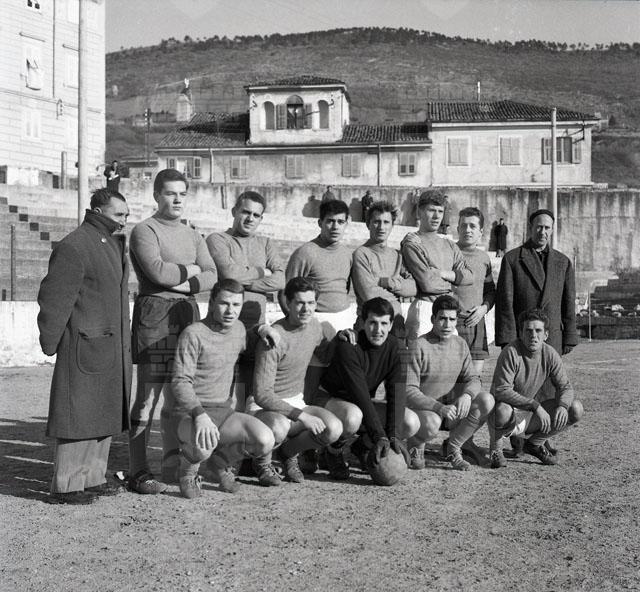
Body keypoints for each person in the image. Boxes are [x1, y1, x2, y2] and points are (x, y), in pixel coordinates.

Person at [37, 189, 131, 504]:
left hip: (107, 346)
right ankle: (66, 485)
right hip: (83, 346)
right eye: (118, 214)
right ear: (97, 211)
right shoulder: (75, 245)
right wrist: (50, 341)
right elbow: (55, 297)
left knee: (103, 414)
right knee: (78, 416)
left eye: (126, 215)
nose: (124, 220)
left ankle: (92, 478)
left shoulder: (110, 244)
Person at [128, 168, 217, 495]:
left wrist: (181, 281)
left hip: (187, 313)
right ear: (156, 195)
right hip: (155, 315)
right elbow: (157, 272)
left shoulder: (193, 235)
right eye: (170, 193)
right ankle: (138, 470)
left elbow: (212, 275)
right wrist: (192, 271)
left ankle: (175, 465)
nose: (177, 199)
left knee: (181, 392)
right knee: (147, 397)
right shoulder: (144, 230)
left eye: (182, 193)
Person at [169, 279, 280, 497]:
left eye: (236, 305)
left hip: (223, 412)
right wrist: (199, 415)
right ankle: (187, 471)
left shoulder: (238, 329)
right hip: (190, 413)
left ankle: (219, 464)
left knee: (265, 440)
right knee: (203, 446)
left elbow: (247, 338)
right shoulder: (193, 333)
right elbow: (180, 381)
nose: (231, 311)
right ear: (211, 303)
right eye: (224, 303)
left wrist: (263, 328)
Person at [495, 208, 578, 457]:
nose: (543, 232)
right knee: (521, 387)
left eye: (547, 227)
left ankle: (542, 437)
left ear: (552, 230)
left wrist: (570, 334)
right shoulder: (513, 259)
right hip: (523, 335)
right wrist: (508, 338)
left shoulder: (563, 262)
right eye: (538, 227)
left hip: (550, 335)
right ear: (530, 228)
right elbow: (505, 302)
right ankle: (517, 436)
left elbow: (568, 302)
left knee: (549, 388)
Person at [247, 277, 344, 485]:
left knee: (334, 428)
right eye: (300, 303)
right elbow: (262, 394)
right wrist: (302, 416)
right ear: (288, 303)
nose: (306, 309)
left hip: (296, 401)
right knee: (280, 426)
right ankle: (261, 463)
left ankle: (287, 453)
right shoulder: (273, 338)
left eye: (311, 303)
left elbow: (325, 355)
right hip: (263, 407)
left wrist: (341, 338)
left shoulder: (315, 326)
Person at [283, 199, 354, 471]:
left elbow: (346, 290)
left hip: (342, 322)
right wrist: (301, 326)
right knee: (309, 389)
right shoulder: (306, 252)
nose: (335, 226)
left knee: (339, 385)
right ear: (320, 223)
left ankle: (333, 449)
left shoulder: (348, 254)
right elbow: (287, 293)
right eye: (330, 221)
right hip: (313, 321)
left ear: (347, 224)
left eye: (340, 221)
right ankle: (306, 447)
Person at [317, 297, 418, 481]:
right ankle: (332, 452)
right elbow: (360, 394)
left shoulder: (397, 347)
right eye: (372, 323)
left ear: (390, 325)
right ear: (363, 322)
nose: (378, 330)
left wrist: (394, 435)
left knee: (410, 422)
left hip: (359, 403)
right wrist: (379, 436)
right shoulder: (349, 346)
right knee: (353, 416)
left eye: (384, 323)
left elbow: (397, 392)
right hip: (330, 400)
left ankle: (361, 447)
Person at [206, 191, 286, 409]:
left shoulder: (266, 243)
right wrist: (262, 272)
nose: (250, 218)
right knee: (220, 398)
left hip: (255, 331)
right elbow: (228, 273)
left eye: (256, 215)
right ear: (234, 211)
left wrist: (241, 281)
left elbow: (280, 280)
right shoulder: (218, 240)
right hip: (223, 331)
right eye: (246, 212)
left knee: (250, 399)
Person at [404, 295, 495, 471]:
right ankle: (415, 445)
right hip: (426, 411)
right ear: (433, 319)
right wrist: (438, 407)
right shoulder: (418, 346)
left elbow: (474, 378)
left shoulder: (460, 344)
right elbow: (409, 391)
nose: (447, 325)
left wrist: (467, 395)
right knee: (431, 425)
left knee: (486, 400)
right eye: (442, 318)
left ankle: (453, 447)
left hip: (451, 412)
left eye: (452, 319)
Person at [489, 309, 584, 469]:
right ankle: (496, 450)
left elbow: (565, 387)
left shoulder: (550, 353)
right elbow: (502, 390)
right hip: (507, 414)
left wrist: (563, 406)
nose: (533, 335)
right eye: (528, 330)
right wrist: (535, 406)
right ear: (521, 333)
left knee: (575, 409)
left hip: (530, 415)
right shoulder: (510, 352)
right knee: (502, 410)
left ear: (546, 334)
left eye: (538, 330)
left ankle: (534, 444)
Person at [401, 190, 473, 339]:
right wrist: (453, 283)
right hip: (425, 309)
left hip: (448, 311)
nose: (436, 216)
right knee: (422, 353)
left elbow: (470, 276)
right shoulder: (413, 243)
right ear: (419, 212)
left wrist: (442, 274)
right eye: (431, 210)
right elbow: (428, 284)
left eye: (440, 211)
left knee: (451, 352)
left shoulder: (449, 245)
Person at [351, 201, 416, 338]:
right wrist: (396, 302)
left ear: (392, 226)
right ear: (368, 224)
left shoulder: (398, 255)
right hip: (369, 327)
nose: (381, 227)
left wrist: (385, 282)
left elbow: (413, 288)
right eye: (376, 222)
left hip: (396, 326)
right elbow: (369, 294)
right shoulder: (361, 254)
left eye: (386, 222)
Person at [453, 206, 496, 375]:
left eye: (472, 226)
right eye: (463, 225)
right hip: (451, 322)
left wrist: (484, 309)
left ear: (481, 232)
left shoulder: (484, 258)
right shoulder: (448, 252)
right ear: (457, 229)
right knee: (450, 378)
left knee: (474, 377)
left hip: (476, 322)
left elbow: (490, 291)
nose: (467, 230)